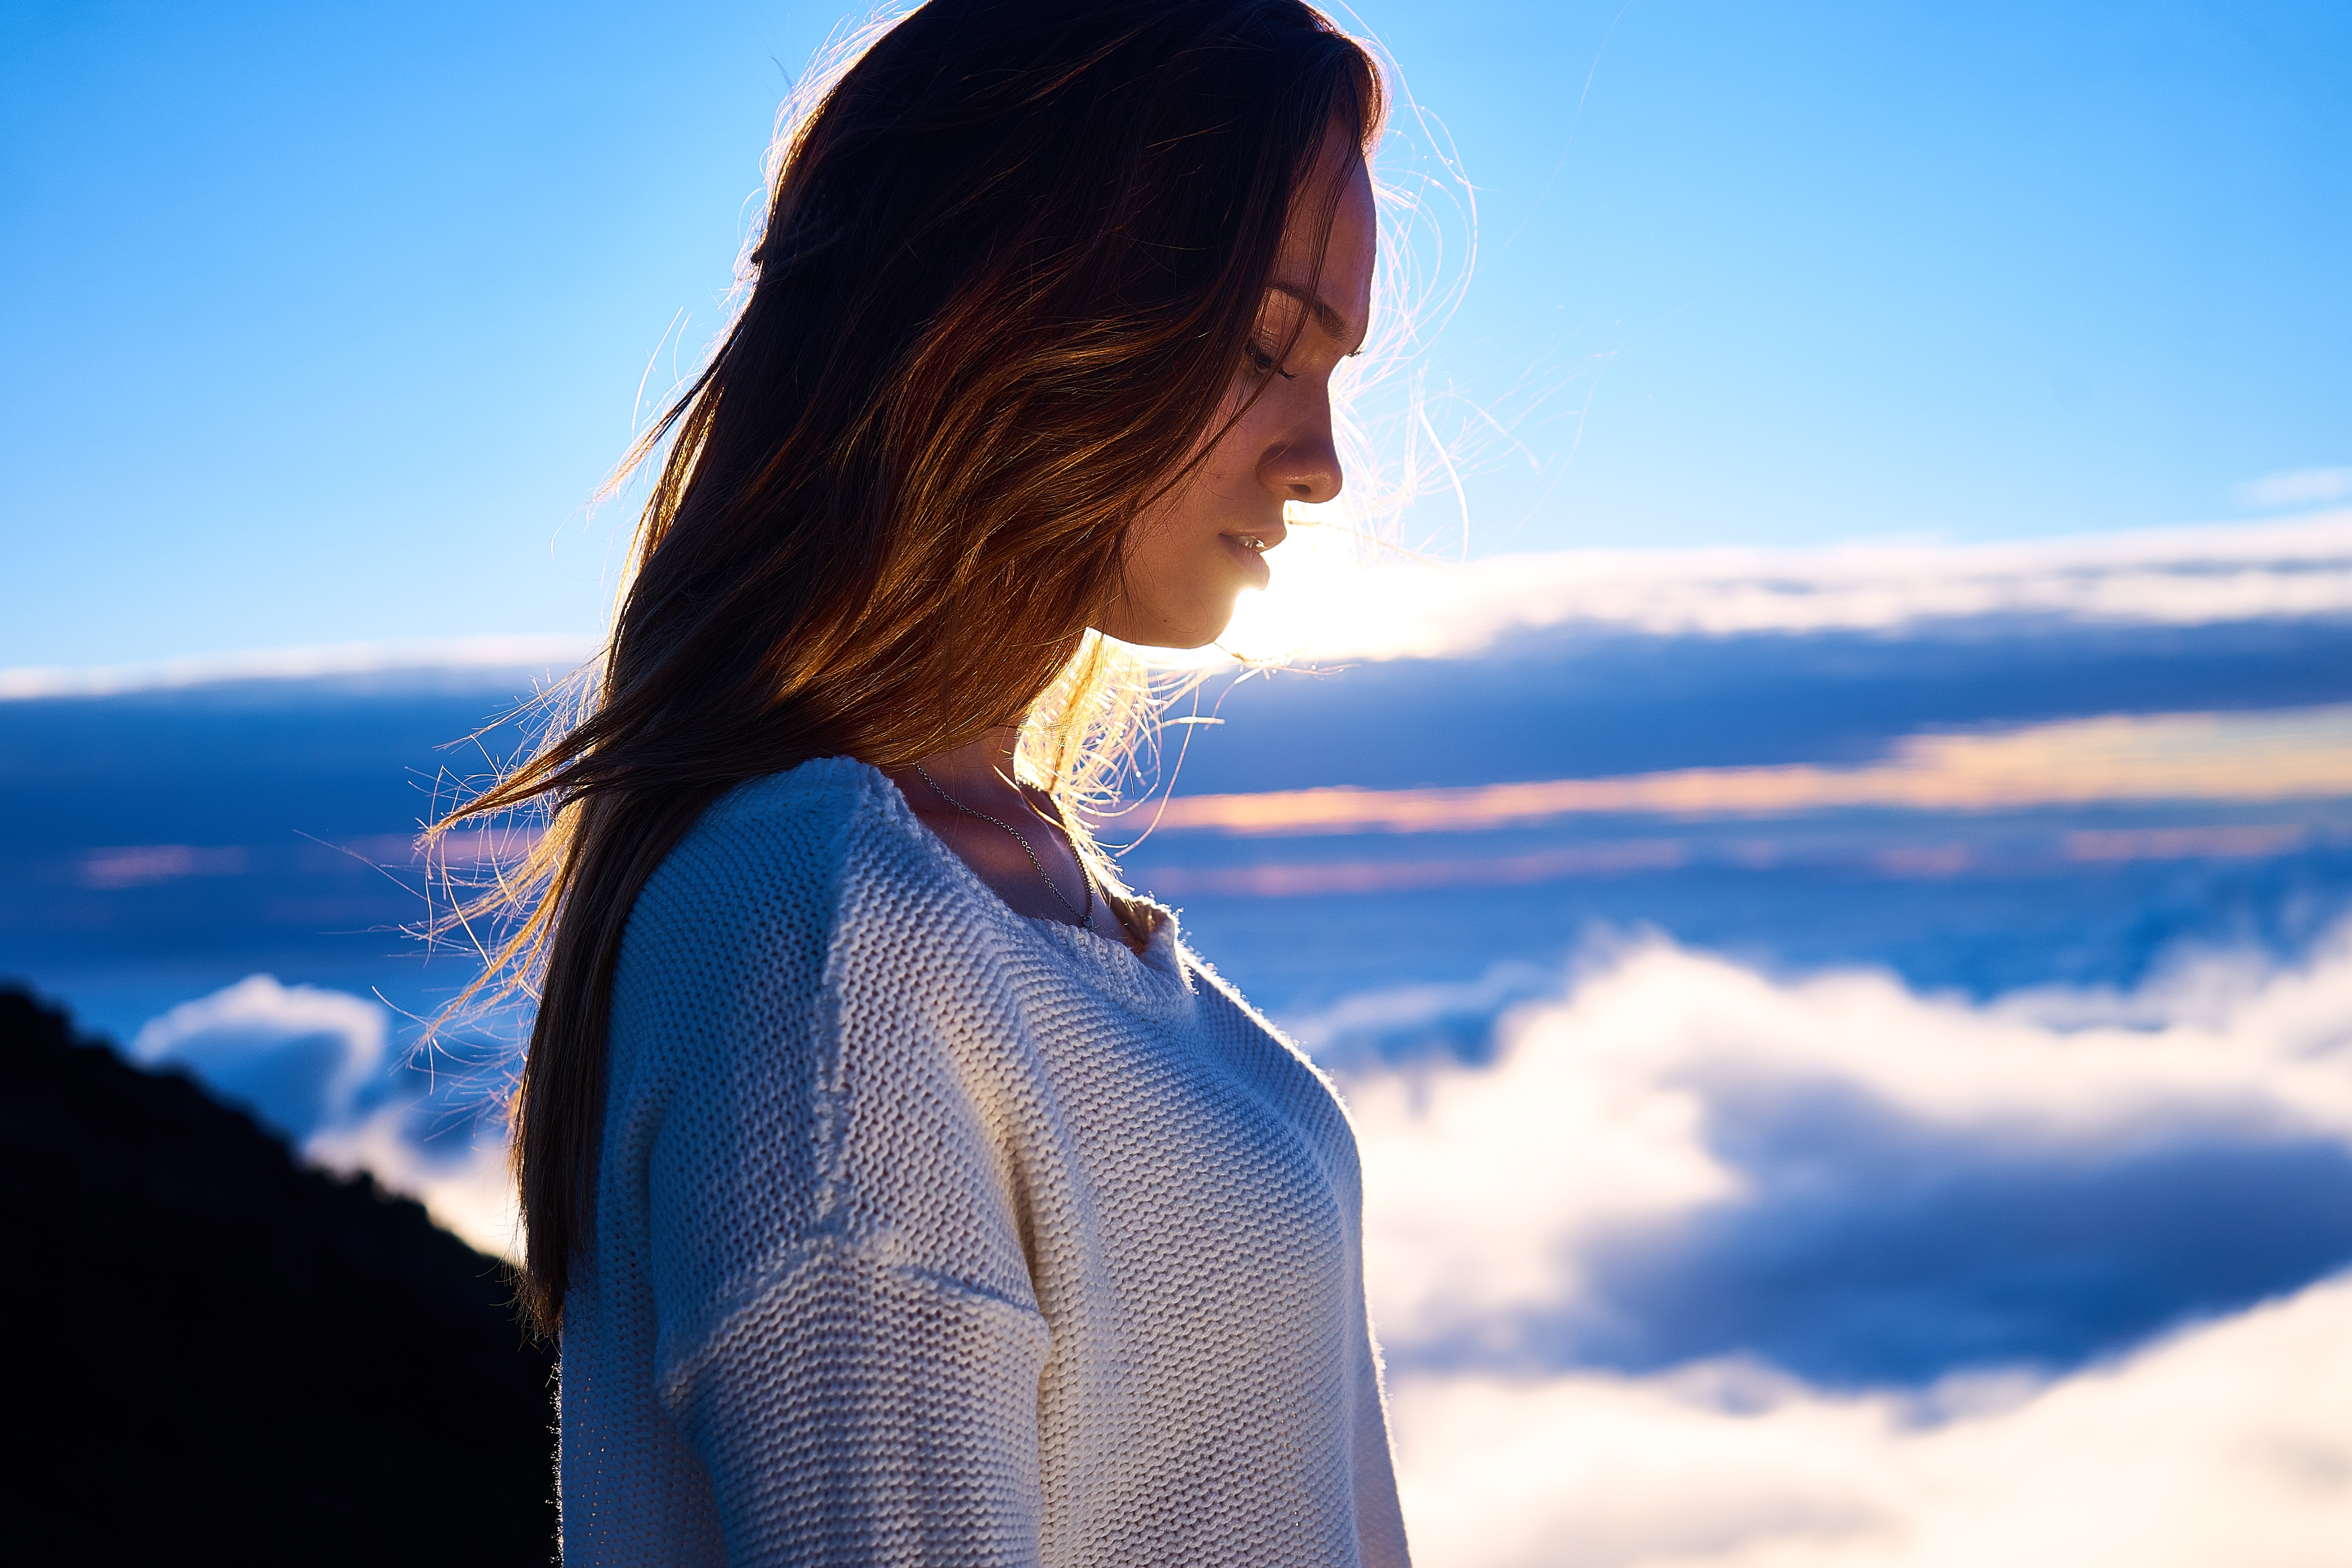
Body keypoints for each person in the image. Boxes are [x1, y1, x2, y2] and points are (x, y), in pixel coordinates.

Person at [445, 2, 1409, 1561]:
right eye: (1263, 343)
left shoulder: (1002, 894)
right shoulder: (831, 945)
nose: (1322, 460)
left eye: (1332, 366)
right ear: (1017, 305)